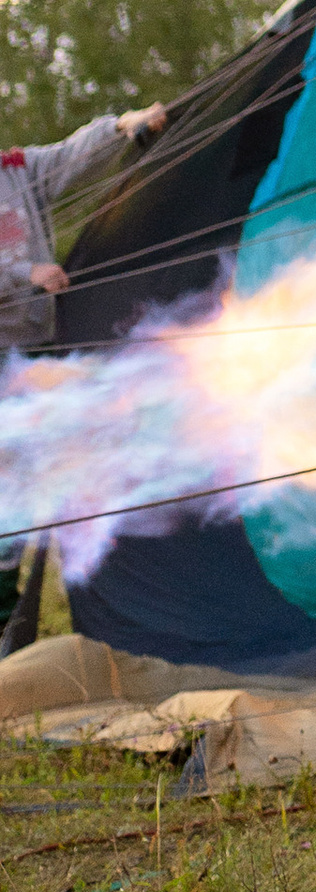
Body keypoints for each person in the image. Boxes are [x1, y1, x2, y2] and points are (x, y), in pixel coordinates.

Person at [0, 102, 166, 648]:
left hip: (29, 356)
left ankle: (9, 624)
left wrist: (122, 126)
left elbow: (72, 157)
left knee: (26, 485)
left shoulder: (16, 170)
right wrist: (26, 273)